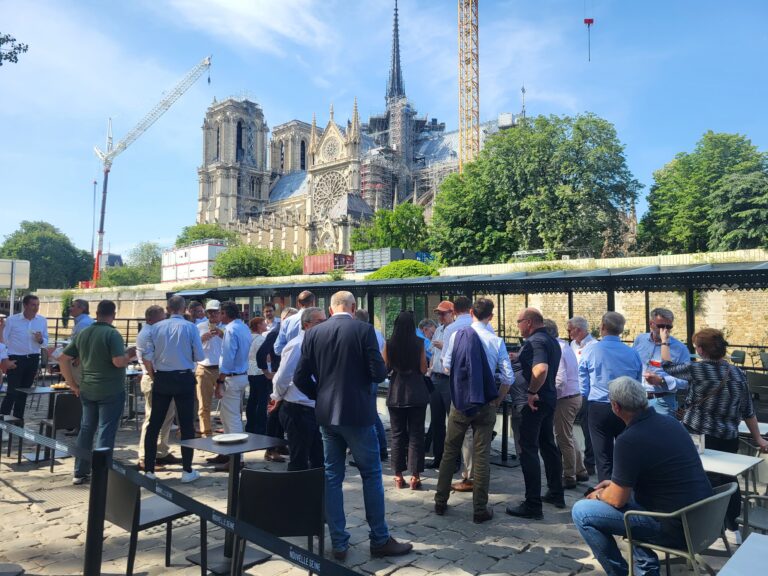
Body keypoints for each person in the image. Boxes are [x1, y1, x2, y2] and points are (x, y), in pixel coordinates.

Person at [294, 291, 412, 560]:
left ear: (331, 308)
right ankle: (379, 539)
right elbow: (378, 372)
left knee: (332, 476)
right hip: (357, 413)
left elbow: (300, 377)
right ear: (354, 306)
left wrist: (319, 394)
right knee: (371, 475)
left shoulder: (314, 333)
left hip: (326, 415)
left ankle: (339, 542)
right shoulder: (363, 330)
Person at [572, 377, 713, 576]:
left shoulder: (629, 439)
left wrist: (599, 495)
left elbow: (616, 500)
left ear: (615, 407)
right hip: (701, 518)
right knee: (631, 499)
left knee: (582, 512)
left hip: (674, 526)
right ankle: (646, 569)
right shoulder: (672, 423)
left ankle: (619, 572)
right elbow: (656, 474)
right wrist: (615, 484)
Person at [661, 327, 768, 531]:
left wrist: (665, 341)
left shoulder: (698, 369)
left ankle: (706, 524)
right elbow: (748, 410)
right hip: (728, 436)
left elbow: (667, 365)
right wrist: (759, 439)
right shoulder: (738, 373)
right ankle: (732, 520)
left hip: (699, 433)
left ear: (700, 350)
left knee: (701, 477)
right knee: (728, 478)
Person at [436, 298, 512, 523]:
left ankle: (440, 501)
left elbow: (447, 365)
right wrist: (497, 400)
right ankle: (480, 508)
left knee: (450, 451)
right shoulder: (496, 341)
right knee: (482, 456)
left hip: (460, 402)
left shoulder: (456, 336)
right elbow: (508, 376)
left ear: (471, 312)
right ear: (491, 315)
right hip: (485, 403)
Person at [59, 300, 137, 485]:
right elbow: (118, 361)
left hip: (87, 388)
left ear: (96, 312)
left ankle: (80, 471)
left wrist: (72, 384)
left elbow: (62, 359)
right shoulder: (112, 334)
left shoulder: (84, 332)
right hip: (110, 390)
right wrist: (129, 355)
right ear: (114, 314)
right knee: (106, 430)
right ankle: (102, 471)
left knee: (86, 430)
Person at [505, 307, 564, 520]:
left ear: (529, 322)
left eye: (519, 321)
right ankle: (556, 493)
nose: (518, 325)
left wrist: (531, 392)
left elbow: (540, 369)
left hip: (532, 404)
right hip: (548, 400)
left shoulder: (536, 341)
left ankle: (532, 504)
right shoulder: (550, 340)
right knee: (548, 445)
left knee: (527, 450)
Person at [139, 295, 204, 483]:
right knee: (186, 424)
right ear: (184, 309)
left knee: (154, 423)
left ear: (168, 308)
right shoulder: (190, 327)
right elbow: (199, 355)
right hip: (183, 376)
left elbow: (147, 356)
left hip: (162, 377)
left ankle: (149, 469)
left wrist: (153, 375)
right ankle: (187, 469)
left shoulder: (155, 328)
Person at [579, 312, 643, 482]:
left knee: (603, 455)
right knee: (626, 452)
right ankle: (627, 489)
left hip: (599, 406)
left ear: (602, 327)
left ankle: (607, 494)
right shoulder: (633, 353)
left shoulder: (591, 349)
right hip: (627, 406)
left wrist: (584, 398)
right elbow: (637, 382)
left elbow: (583, 379)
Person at [272, 306, 326, 470]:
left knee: (317, 457)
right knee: (299, 459)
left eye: (325, 321)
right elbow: (283, 376)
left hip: (315, 408)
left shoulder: (320, 343)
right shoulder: (296, 345)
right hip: (298, 408)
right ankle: (296, 493)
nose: (324, 325)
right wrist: (277, 397)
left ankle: (315, 493)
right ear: (307, 324)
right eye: (320, 322)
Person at [384, 310, 429, 490]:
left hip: (396, 392)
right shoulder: (419, 343)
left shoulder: (389, 343)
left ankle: (397, 475)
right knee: (416, 435)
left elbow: (385, 368)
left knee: (397, 435)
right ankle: (415, 476)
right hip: (416, 392)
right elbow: (424, 369)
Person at [544, 319, 588, 489]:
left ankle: (569, 475)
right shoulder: (564, 346)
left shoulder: (557, 349)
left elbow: (560, 380)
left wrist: (548, 395)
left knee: (562, 437)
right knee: (567, 434)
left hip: (565, 398)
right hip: (573, 396)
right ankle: (580, 470)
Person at [136, 305, 180, 471]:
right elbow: (148, 360)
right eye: (162, 318)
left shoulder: (154, 331)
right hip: (154, 378)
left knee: (167, 415)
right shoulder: (148, 334)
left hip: (160, 377)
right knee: (151, 418)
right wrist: (155, 377)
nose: (165, 321)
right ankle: (144, 456)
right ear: (151, 319)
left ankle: (161, 451)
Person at [211, 301, 252, 472]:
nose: (218, 316)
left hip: (232, 377)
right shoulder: (242, 327)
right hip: (241, 374)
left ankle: (236, 458)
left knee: (232, 419)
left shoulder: (231, 329)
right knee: (229, 416)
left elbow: (228, 358)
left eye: (220, 313)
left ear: (225, 314)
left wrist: (220, 381)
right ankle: (230, 453)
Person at [257, 307, 297, 462]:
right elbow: (261, 353)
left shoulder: (289, 334)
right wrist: (266, 372)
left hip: (287, 379)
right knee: (273, 415)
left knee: (281, 414)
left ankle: (279, 444)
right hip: (277, 378)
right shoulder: (276, 333)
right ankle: (270, 449)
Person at [632, 307, 689, 417]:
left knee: (661, 434)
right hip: (637, 399)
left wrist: (662, 381)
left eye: (669, 327)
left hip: (662, 401)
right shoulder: (640, 339)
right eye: (661, 326)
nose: (665, 330)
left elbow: (685, 381)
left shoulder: (680, 348)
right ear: (651, 324)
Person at [2, 294, 48, 419]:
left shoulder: (42, 320)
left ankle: (18, 421)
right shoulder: (12, 320)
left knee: (24, 392)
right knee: (12, 392)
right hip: (16, 358)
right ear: (25, 305)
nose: (36, 308)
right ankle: (2, 423)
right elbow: (3, 340)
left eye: (38, 305)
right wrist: (5, 359)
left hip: (33, 358)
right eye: (33, 305)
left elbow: (45, 343)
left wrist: (40, 340)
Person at [355, 308, 388, 461]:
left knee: (368, 414)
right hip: (374, 376)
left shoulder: (359, 333)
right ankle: (381, 447)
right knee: (372, 413)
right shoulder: (377, 333)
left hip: (363, 377)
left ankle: (376, 448)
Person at [567, 315, 597, 476]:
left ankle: (589, 462)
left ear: (578, 330)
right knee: (566, 427)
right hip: (572, 391)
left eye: (570, 330)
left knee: (587, 428)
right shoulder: (572, 345)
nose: (569, 333)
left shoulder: (594, 346)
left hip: (588, 392)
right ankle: (573, 461)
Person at [426, 300, 454, 469]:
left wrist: (444, 346)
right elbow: (434, 354)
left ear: (452, 313)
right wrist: (429, 370)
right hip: (436, 377)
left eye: (444, 313)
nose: (441, 316)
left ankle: (453, 459)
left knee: (453, 421)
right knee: (436, 421)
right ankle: (438, 456)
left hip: (448, 378)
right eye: (439, 314)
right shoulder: (438, 330)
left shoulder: (455, 330)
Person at [195, 300, 223, 438]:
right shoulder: (200, 327)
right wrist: (201, 339)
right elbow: (192, 347)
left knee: (226, 403)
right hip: (204, 368)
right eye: (210, 312)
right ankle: (206, 433)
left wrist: (222, 334)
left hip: (222, 370)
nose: (212, 314)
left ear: (221, 312)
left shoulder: (228, 327)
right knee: (204, 405)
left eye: (215, 311)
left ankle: (227, 431)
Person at [245, 316, 269, 434]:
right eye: (264, 323)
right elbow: (265, 356)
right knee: (262, 400)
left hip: (249, 370)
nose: (266, 325)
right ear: (259, 325)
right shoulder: (261, 339)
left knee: (252, 398)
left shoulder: (247, 337)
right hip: (259, 371)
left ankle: (250, 425)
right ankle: (260, 427)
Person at [274, 290, 316, 355]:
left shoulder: (287, 321)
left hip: (292, 362)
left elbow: (278, 348)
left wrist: (292, 351)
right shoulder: (319, 321)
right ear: (313, 302)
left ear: (298, 303)